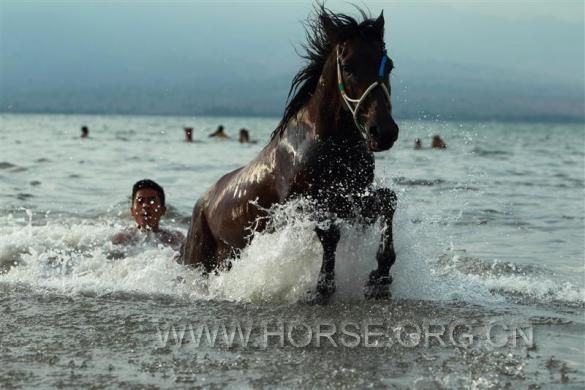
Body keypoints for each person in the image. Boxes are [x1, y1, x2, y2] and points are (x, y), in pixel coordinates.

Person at [112, 179, 184, 250]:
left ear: (163, 210)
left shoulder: (175, 238)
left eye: (152, 201)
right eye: (140, 201)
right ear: (132, 211)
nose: (145, 205)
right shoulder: (122, 239)